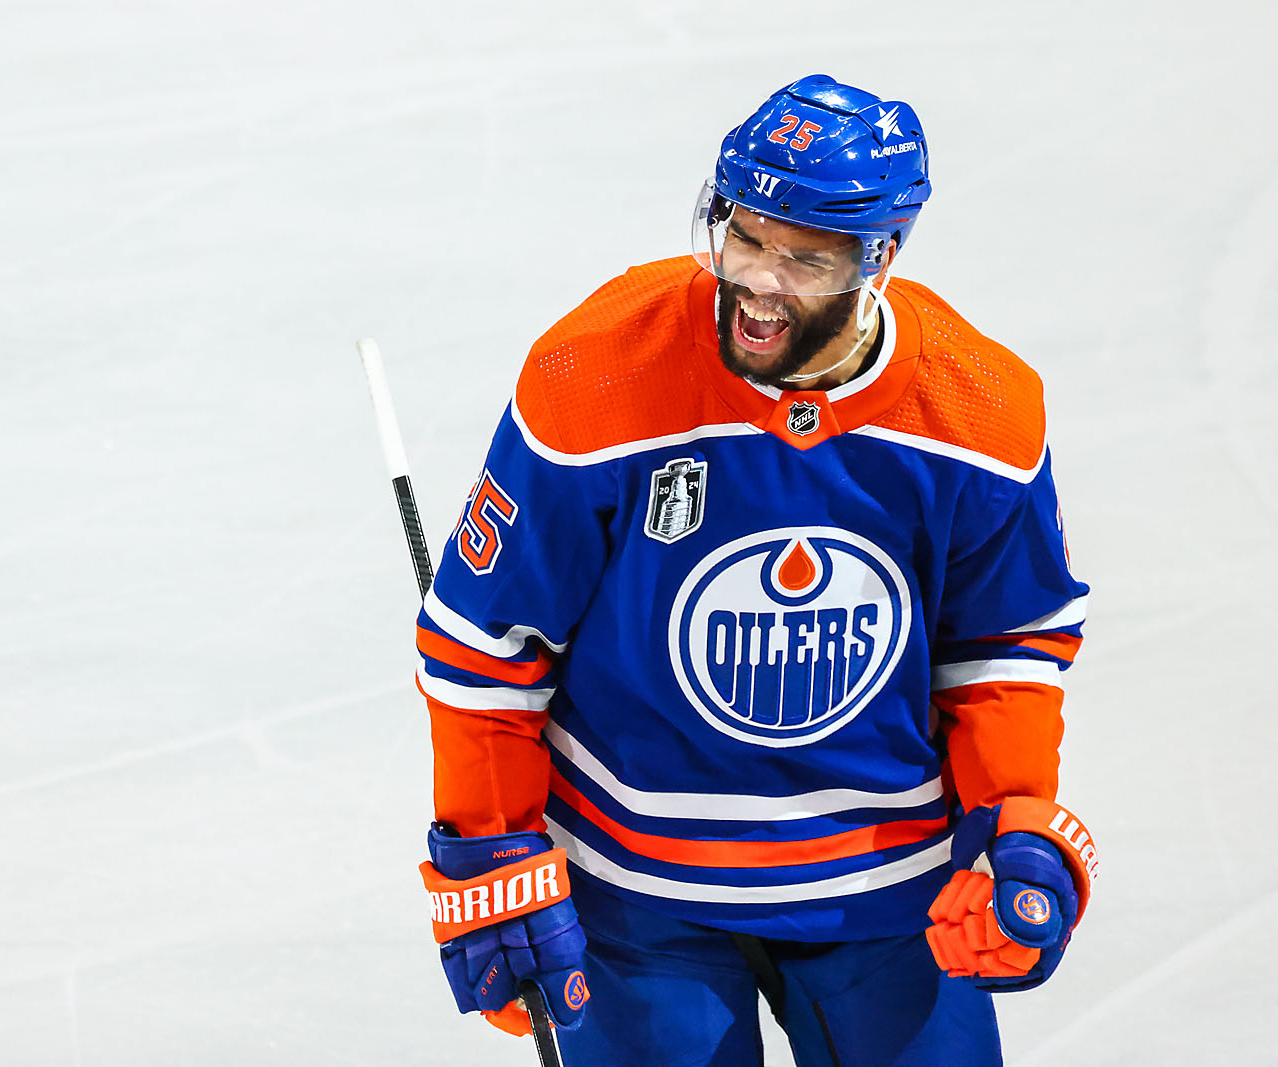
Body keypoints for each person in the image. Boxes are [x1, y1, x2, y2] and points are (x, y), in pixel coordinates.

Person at [413, 74, 1098, 1066]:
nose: (761, 283)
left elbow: (1005, 646)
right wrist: (488, 842)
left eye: (806, 260)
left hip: (882, 885)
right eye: (744, 237)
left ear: (882, 257)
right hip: (634, 892)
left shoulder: (980, 411)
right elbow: (487, 645)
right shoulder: (598, 371)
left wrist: (1012, 816)